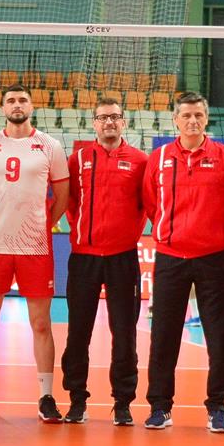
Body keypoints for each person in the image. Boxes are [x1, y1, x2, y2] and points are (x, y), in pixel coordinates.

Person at [142, 91, 224, 433]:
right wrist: (173, 231)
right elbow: (151, 204)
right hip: (170, 257)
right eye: (186, 115)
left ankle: (218, 407)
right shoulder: (159, 158)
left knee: (220, 336)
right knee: (164, 335)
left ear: (206, 118)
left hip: (213, 257)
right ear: (175, 119)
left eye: (198, 115)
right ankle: (160, 406)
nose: (192, 121)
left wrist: (210, 230)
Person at [0, 84, 70, 422]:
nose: (17, 104)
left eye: (22, 99)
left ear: (32, 106)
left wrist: (43, 225)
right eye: (11, 100)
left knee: (41, 323)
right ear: (2, 107)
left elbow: (62, 195)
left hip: (35, 247)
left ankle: (46, 396)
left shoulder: (50, 146)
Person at [60, 98, 148, 425]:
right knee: (78, 332)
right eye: (103, 117)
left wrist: (125, 236)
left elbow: (146, 205)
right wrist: (85, 234)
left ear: (124, 122)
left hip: (123, 258)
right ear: (94, 123)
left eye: (114, 117)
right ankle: (77, 400)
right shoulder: (77, 159)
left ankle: (123, 402)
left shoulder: (140, 161)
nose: (109, 122)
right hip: (84, 258)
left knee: (124, 333)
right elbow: (70, 203)